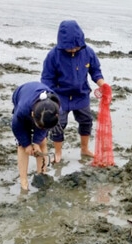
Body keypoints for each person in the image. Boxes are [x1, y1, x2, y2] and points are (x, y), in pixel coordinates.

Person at [41, 20, 106, 163]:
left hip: (81, 94)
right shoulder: (53, 55)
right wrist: (49, 96)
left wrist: (102, 84)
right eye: (69, 48)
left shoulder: (87, 52)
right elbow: (47, 78)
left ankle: (84, 148)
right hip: (60, 96)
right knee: (58, 124)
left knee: (86, 121)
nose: (73, 50)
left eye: (76, 47)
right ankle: (58, 153)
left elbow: (95, 71)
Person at [11, 82, 60, 190]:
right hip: (21, 95)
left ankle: (41, 173)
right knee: (22, 146)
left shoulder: (54, 108)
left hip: (43, 111)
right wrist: (27, 144)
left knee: (42, 142)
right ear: (33, 115)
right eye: (40, 126)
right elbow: (16, 127)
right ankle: (23, 181)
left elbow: (45, 128)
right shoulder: (22, 110)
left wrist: (37, 142)